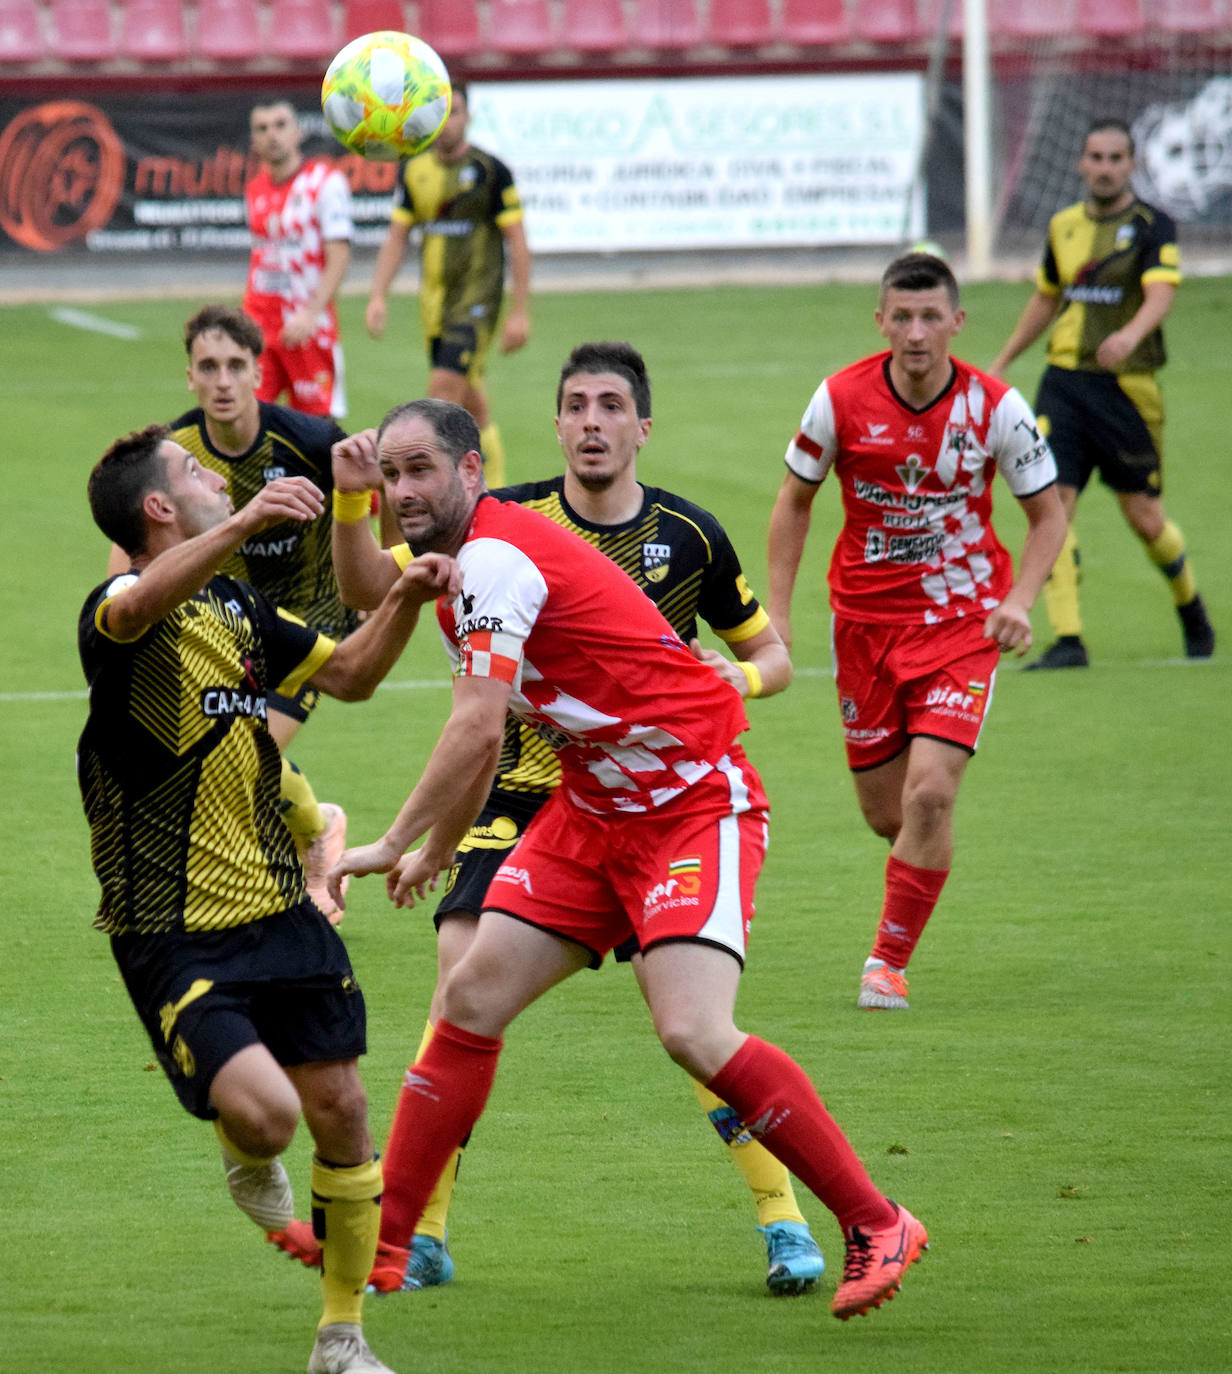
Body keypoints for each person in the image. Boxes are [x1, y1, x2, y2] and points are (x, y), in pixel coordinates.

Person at [324, 396, 929, 1323]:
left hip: (693, 802)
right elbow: (369, 592)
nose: (405, 489)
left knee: (691, 1030)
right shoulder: (458, 554)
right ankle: (389, 1240)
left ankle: (875, 1218)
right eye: (393, 472)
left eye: (418, 472)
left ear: (469, 472)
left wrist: (397, 841)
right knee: (470, 998)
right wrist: (350, 500)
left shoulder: (493, 557)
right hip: (592, 810)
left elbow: (476, 724)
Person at [79, 423, 458, 1374]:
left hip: (279, 910)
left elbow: (352, 676)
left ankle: (340, 1338)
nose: (218, 475)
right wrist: (249, 517)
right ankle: (245, 1151)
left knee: (341, 1109)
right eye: (197, 473)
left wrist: (406, 596)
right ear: (159, 509)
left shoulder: (242, 610)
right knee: (268, 1116)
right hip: (170, 930)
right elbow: (133, 612)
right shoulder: (120, 605)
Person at [767, 252, 1066, 1012]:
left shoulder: (996, 408)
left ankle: (886, 965)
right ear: (880, 322)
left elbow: (1047, 514)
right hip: (863, 627)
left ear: (957, 323)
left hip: (962, 624)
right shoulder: (838, 399)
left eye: (931, 317)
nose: (915, 333)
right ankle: (917, 870)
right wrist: (778, 612)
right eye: (900, 317)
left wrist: (1022, 600)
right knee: (889, 815)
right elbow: (793, 503)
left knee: (930, 797)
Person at [108, 305, 358, 924]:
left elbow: (362, 525)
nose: (222, 380)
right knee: (225, 753)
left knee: (246, 750)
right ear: (190, 377)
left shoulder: (313, 440)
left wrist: (368, 596)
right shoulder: (173, 453)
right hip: (225, 625)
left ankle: (302, 865)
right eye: (208, 367)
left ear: (258, 373)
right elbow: (132, 546)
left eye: (235, 366)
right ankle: (317, 823)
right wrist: (120, 607)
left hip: (309, 619)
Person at [990, 117, 1214, 669]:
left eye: (1117, 158)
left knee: (1145, 517)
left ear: (1131, 164)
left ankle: (1191, 607)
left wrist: (1131, 334)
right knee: (1052, 504)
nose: (1106, 167)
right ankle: (1069, 640)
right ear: (1081, 163)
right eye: (1097, 157)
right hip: (1063, 382)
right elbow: (1047, 298)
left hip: (1127, 388)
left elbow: (1160, 293)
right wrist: (1000, 363)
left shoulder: (1152, 225)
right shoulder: (1063, 225)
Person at [365, 80, 530, 489]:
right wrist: (378, 296)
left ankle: (434, 491)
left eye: (454, 112)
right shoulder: (415, 169)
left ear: (468, 116)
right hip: (434, 307)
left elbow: (518, 242)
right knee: (473, 403)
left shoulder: (491, 172)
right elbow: (398, 237)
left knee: (440, 399)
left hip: (476, 305)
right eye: (439, 114)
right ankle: (497, 490)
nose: (447, 122)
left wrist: (520, 311)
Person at [244, 98, 352, 419]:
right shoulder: (255, 189)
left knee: (317, 429)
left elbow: (339, 255)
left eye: (280, 125)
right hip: (260, 326)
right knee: (245, 421)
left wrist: (310, 314)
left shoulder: (324, 183)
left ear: (297, 132)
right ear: (253, 141)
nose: (271, 135)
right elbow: (262, 258)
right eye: (262, 129)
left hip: (306, 326)